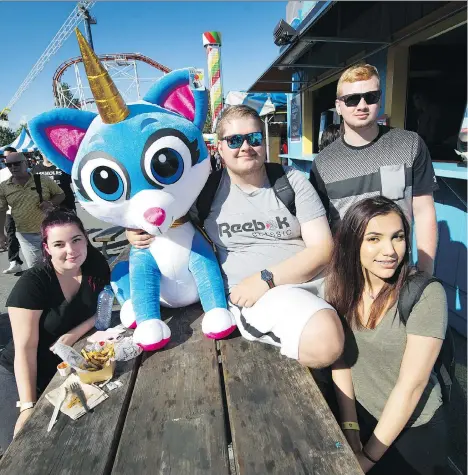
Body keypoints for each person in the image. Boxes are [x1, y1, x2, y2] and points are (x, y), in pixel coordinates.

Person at [127, 105, 344, 369]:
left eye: (254, 138)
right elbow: (164, 215)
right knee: (325, 341)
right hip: (262, 295)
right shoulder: (205, 191)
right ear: (219, 147)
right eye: (234, 140)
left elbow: (322, 248)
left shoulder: (291, 180)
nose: (246, 147)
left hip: (319, 279)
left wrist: (267, 278)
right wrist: (134, 228)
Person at [327, 197, 447, 474]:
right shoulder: (340, 289)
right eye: (374, 239)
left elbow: (412, 386)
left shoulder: (426, 294)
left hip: (413, 427)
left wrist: (366, 459)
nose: (390, 250)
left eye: (398, 237)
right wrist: (351, 426)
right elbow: (340, 359)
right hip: (362, 414)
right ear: (352, 243)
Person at [310, 64, 438, 275]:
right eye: (352, 99)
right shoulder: (323, 162)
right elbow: (321, 228)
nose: (361, 105)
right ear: (338, 106)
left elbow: (424, 212)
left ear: (379, 100)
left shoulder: (409, 144)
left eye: (370, 97)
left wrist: (425, 273)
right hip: (346, 275)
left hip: (396, 271)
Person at [0, 209, 110, 454]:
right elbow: (24, 349)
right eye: (59, 244)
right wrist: (27, 405)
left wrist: (74, 334)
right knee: (16, 446)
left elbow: (104, 307)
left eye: (76, 240)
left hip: (62, 370)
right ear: (47, 248)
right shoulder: (33, 283)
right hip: (17, 374)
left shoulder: (95, 265)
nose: (71, 250)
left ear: (86, 237)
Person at [0, 152, 65, 269]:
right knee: (37, 268)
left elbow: (60, 194)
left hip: (50, 231)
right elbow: (1, 210)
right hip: (26, 235)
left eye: (16, 163)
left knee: (58, 264)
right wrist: (1, 234)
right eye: (9, 165)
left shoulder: (42, 179)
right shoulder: (4, 186)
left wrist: (50, 203)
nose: (13, 167)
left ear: (26, 163)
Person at [0, 147, 24, 274]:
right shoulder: (2, 173)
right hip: (9, 211)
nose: (7, 159)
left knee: (34, 235)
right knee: (11, 236)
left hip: (27, 209)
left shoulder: (25, 171)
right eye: (5, 158)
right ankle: (14, 262)